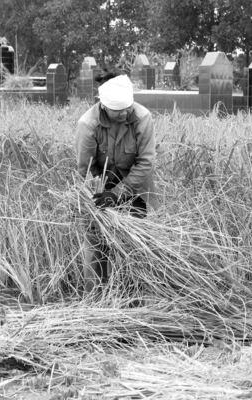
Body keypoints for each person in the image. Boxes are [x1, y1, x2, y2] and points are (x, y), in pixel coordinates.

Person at [74, 69, 157, 289]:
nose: (123, 114)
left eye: (127, 109)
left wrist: (118, 193)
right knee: (96, 244)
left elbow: (146, 162)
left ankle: (132, 298)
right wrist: (100, 196)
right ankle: (96, 298)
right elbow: (85, 169)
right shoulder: (88, 124)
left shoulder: (142, 117)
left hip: (135, 188)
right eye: (117, 111)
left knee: (133, 246)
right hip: (100, 190)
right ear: (104, 106)